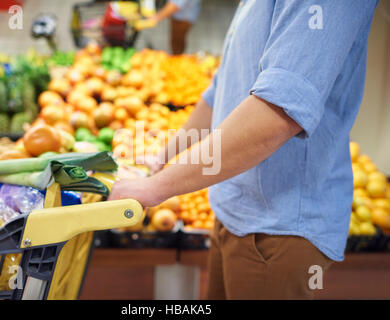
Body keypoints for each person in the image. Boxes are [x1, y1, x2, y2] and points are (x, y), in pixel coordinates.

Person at [109, 0, 379, 299]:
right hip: (234, 209)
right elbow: (221, 91)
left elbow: (278, 113)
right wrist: (163, 157)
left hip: (277, 227)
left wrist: (156, 187)